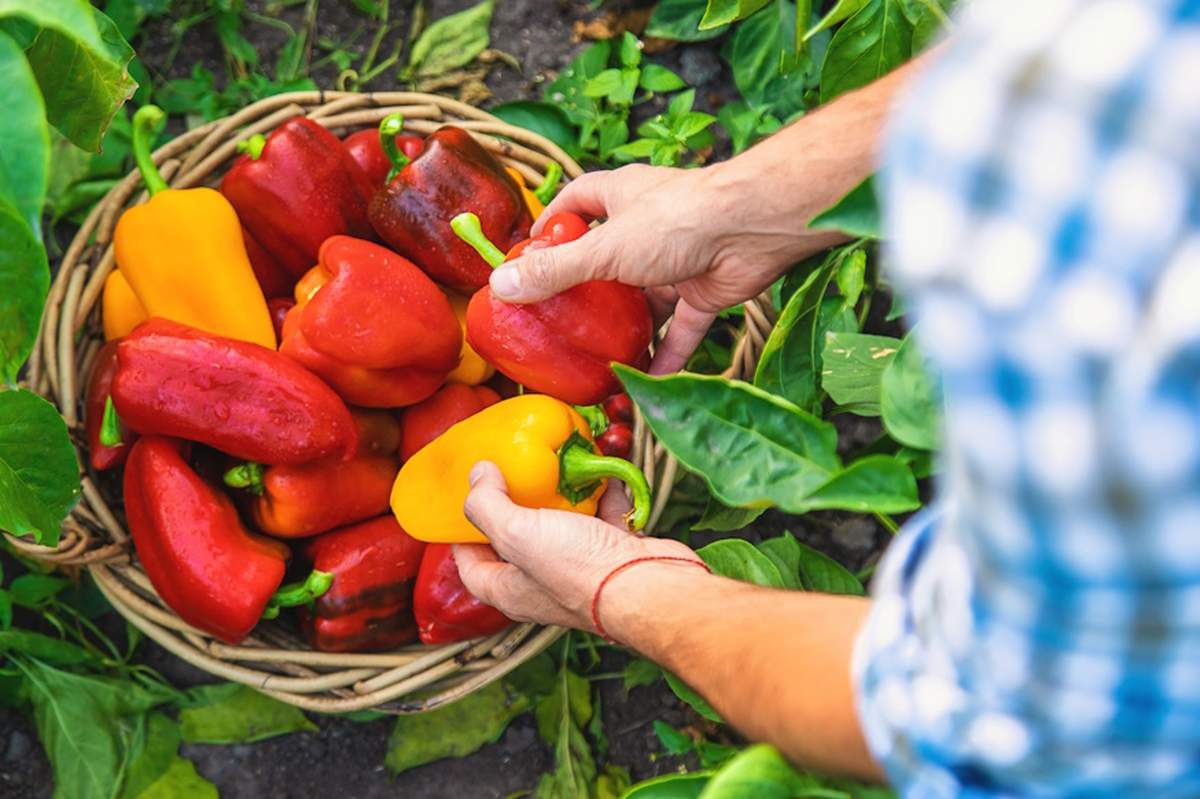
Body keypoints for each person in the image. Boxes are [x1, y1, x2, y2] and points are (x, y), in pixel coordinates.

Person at [455, 0, 1200, 795]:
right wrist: (739, 206)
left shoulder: (1126, 312)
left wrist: (625, 591)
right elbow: (1073, 59)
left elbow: (994, 711)